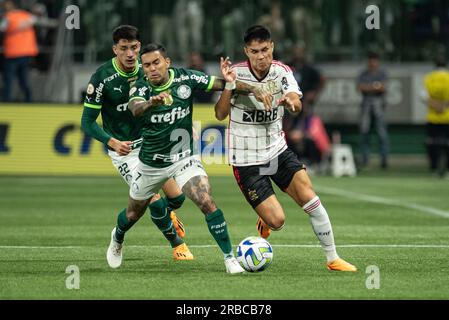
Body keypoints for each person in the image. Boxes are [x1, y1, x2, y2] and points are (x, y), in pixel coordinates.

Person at [214, 25, 357, 272]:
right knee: (277, 221)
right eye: (255, 51)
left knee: (310, 198)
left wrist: (292, 102)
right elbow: (219, 114)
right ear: (246, 51)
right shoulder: (235, 73)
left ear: (272, 47)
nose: (261, 56)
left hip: (277, 151)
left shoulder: (282, 72)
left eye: (265, 50)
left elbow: (295, 99)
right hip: (246, 159)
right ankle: (266, 220)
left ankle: (333, 258)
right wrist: (228, 86)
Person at [127, 43, 272, 274]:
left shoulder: (186, 79)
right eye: (146, 65)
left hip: (184, 156)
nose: (152, 68)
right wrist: (151, 103)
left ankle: (229, 259)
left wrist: (252, 89)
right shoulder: (139, 88)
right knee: (133, 213)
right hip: (152, 162)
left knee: (205, 200)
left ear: (167, 62)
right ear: (142, 68)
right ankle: (118, 236)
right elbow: (135, 108)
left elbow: (222, 84)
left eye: (156, 62)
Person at [81, 25, 189, 269]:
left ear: (139, 47)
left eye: (134, 48)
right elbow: (86, 122)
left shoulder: (148, 69)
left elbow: (167, 101)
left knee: (177, 198)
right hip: (125, 152)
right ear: (115, 49)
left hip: (152, 145)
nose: (130, 54)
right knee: (154, 200)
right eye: (123, 48)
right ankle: (176, 244)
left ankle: (136, 226)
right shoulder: (102, 78)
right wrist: (112, 141)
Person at [284, 43, 329, 168]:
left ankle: (308, 159)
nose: (297, 54)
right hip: (288, 106)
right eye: (295, 51)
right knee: (287, 131)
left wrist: (314, 94)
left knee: (305, 131)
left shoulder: (308, 68)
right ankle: (290, 158)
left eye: (300, 51)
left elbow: (322, 79)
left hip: (304, 106)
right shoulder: (287, 66)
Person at [0, 0, 38, 102]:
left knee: (8, 80)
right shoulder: (26, 16)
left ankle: (6, 102)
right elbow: (35, 19)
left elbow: (2, 29)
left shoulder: (8, 18)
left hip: (12, 53)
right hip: (26, 53)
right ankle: (29, 100)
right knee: (24, 80)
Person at [356, 51, 389, 169]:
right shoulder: (363, 73)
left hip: (378, 105)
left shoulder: (382, 73)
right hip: (366, 105)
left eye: (375, 60)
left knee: (382, 133)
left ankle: (384, 160)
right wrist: (375, 86)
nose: (373, 62)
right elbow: (359, 87)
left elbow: (383, 88)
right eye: (371, 60)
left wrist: (370, 88)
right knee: (365, 132)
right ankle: (365, 159)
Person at [422, 56, 449, 177]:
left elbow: (423, 96)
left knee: (432, 142)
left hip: (432, 117)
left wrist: (436, 106)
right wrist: (443, 106)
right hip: (447, 116)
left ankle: (434, 165)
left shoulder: (429, 78)